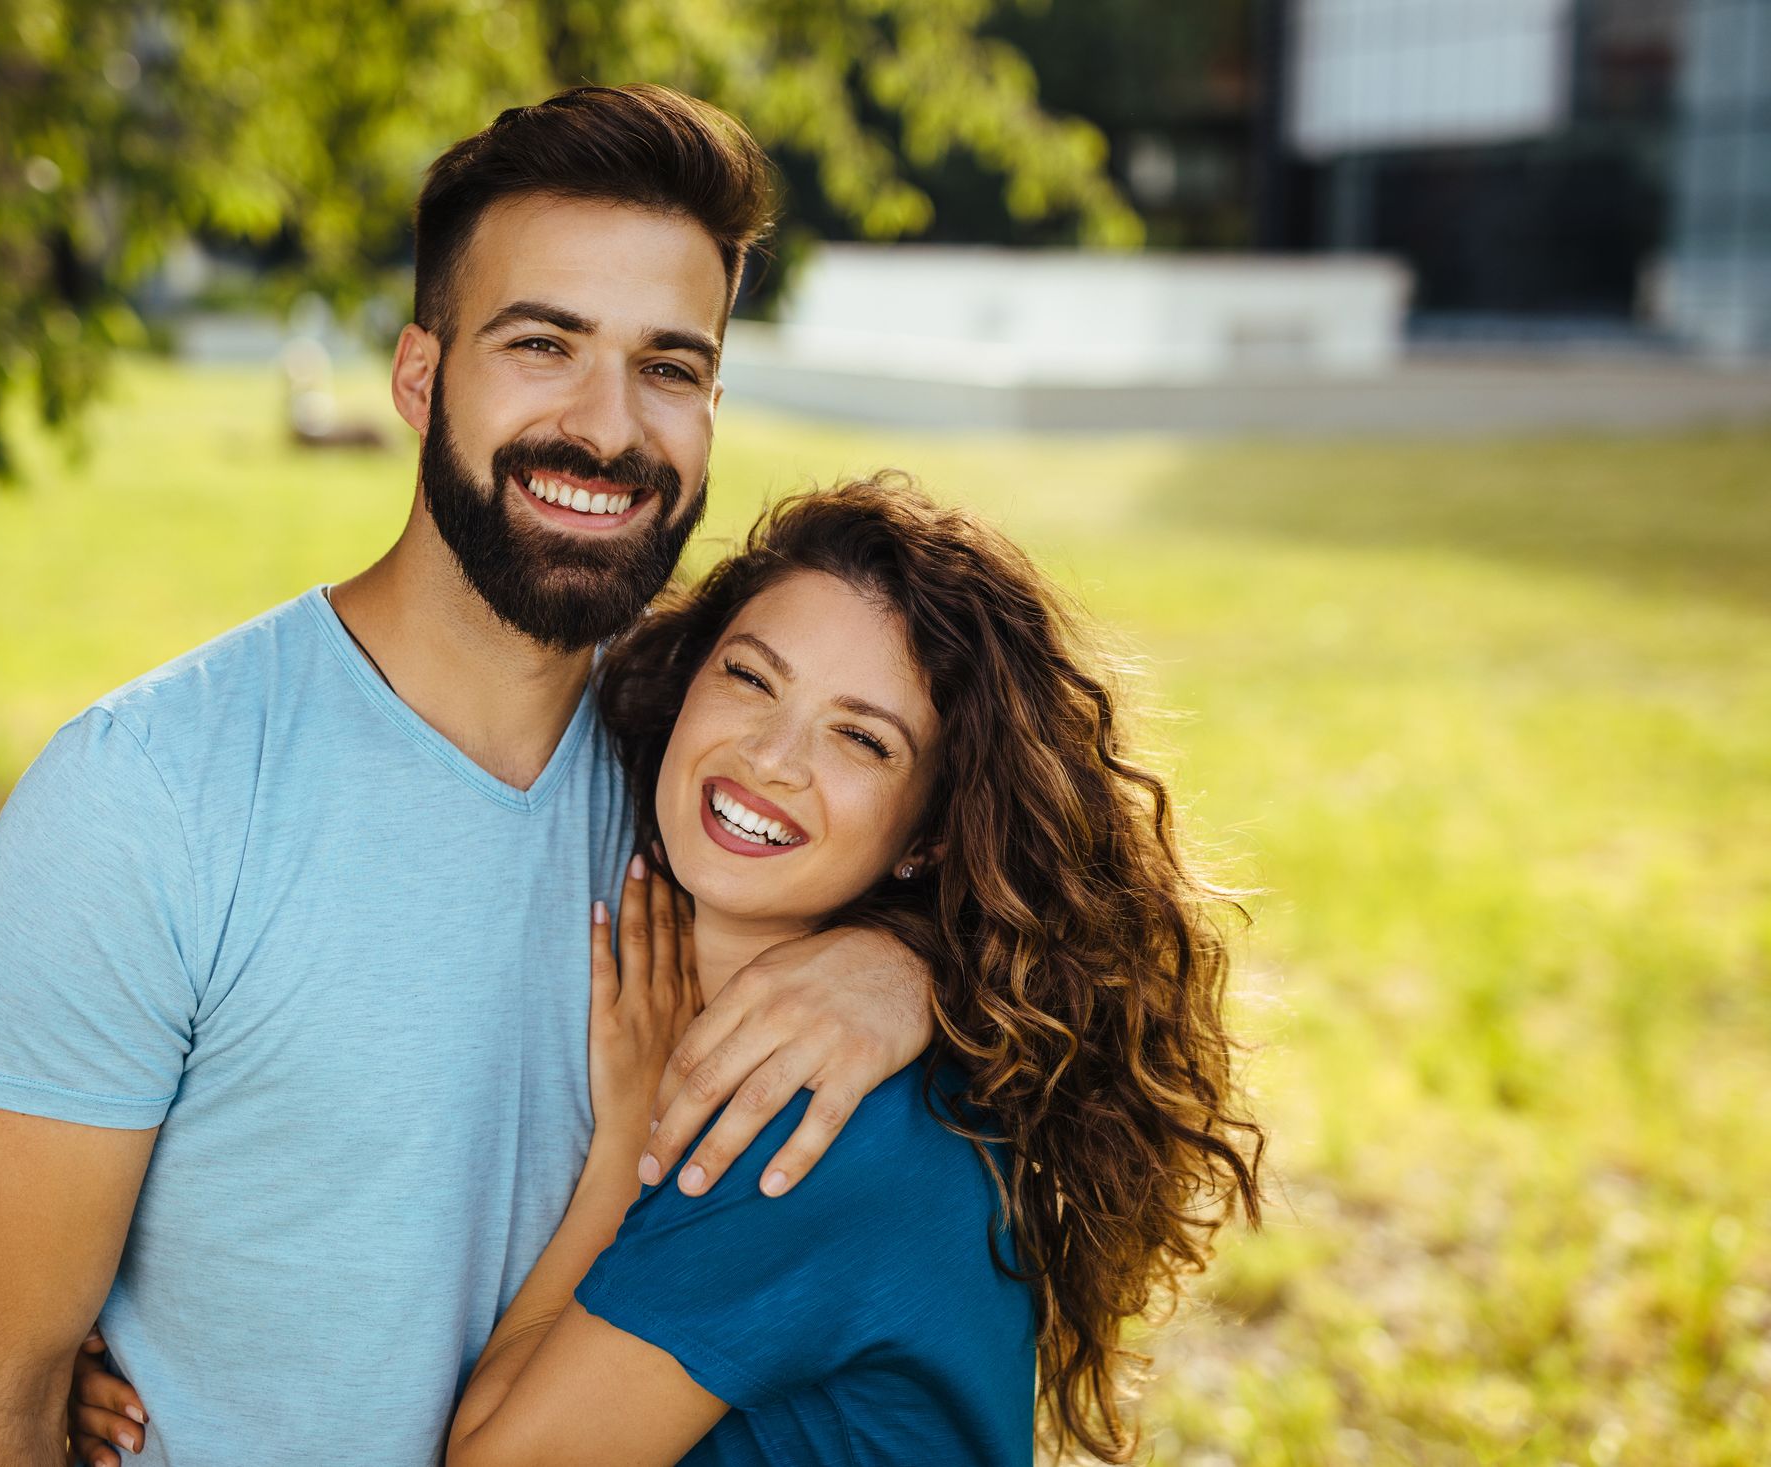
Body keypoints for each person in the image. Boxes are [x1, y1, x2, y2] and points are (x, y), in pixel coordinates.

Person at [0, 88, 943, 1467]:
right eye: (543, 343)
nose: (610, 426)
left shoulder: (706, 771)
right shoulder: (149, 799)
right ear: (417, 376)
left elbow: (1040, 911)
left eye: (669, 367)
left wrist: (905, 965)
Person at [68, 476, 1266, 1465]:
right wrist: (177, 1342)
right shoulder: (649, 963)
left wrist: (621, 1143)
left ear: (931, 832)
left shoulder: (816, 1127)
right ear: (687, 675)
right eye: (751, 676)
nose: (772, 757)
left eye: (861, 737)